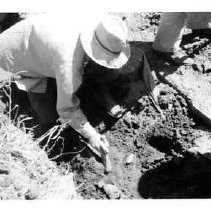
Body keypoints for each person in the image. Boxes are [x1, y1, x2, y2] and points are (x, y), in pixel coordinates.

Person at [0, 13, 131, 171]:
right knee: (47, 115)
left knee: (71, 77)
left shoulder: (95, 25)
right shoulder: (69, 66)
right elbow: (66, 109)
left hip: (35, 36)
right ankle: (42, 124)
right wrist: (92, 136)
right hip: (15, 57)